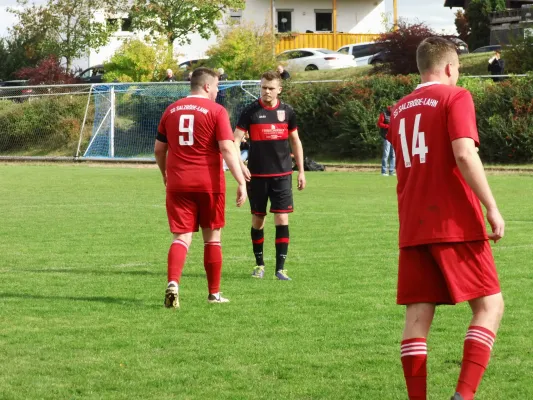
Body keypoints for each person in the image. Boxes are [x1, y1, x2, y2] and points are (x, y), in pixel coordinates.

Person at [387, 37, 505, 400]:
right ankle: (463, 396)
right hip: (453, 220)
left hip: (413, 223)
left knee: (417, 318)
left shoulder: (399, 108)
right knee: (490, 306)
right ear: (452, 67)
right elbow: (464, 153)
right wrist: (491, 206)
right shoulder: (456, 96)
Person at [154, 67, 247, 308]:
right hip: (209, 184)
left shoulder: (171, 109)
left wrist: (165, 174)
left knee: (181, 237)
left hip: (178, 183)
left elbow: (159, 149)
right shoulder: (216, 110)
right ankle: (214, 294)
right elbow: (227, 149)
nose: (217, 91)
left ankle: (173, 283)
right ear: (207, 86)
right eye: (216, 86)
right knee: (212, 238)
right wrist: (240, 181)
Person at [233, 70, 306, 281]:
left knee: (282, 218)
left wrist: (300, 170)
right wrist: (240, 164)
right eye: (264, 87)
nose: (266, 91)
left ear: (279, 90)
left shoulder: (288, 111)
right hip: (256, 174)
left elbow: (295, 141)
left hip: (282, 173)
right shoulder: (250, 111)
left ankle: (281, 269)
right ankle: (259, 264)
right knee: (258, 219)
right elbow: (235, 140)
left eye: (271, 88)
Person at [377, 106, 395, 176]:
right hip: (386, 137)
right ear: (389, 108)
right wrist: (387, 126)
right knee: (386, 154)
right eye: (392, 108)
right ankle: (383, 172)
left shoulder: (395, 114)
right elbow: (379, 124)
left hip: (393, 137)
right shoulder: (384, 114)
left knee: (393, 155)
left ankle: (391, 171)